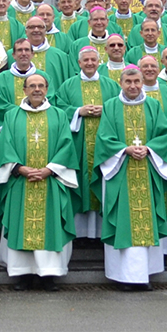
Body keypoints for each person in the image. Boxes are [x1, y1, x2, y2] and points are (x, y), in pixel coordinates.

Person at [0, 73, 79, 291]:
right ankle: (22, 275)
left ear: (47, 88)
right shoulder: (12, 115)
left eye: (41, 85)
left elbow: (66, 146)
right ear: (24, 90)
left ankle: (49, 275)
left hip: (50, 182)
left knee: (51, 225)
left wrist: (49, 170)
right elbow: (5, 146)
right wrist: (19, 168)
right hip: (21, 183)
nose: (37, 90)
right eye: (32, 86)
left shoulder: (58, 115)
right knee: (20, 224)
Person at [95, 66, 167, 290]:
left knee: (145, 220)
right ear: (121, 83)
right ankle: (123, 276)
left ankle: (144, 275)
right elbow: (104, 137)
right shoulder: (111, 106)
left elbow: (163, 134)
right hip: (120, 171)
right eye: (128, 82)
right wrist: (124, 150)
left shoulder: (153, 105)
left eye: (137, 82)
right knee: (123, 221)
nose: (133, 86)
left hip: (147, 169)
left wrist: (149, 149)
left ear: (143, 82)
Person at [54, 46, 119, 239]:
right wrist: (77, 112)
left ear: (99, 62)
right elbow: (58, 108)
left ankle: (101, 232)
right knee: (80, 183)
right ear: (79, 63)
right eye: (86, 60)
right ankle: (81, 233)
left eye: (93, 60)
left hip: (103, 146)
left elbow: (119, 109)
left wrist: (105, 110)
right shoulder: (67, 85)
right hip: (78, 143)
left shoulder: (111, 85)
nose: (90, 63)